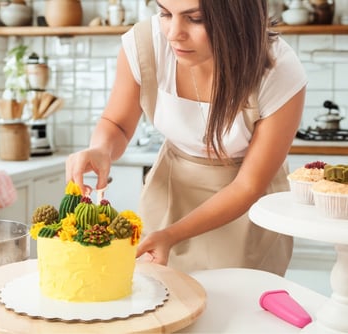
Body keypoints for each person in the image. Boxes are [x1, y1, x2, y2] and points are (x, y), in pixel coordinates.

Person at [66, 0, 307, 276]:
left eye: (195, 19)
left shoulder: (278, 71)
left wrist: (172, 234)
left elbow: (247, 186)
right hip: (169, 197)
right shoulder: (146, 46)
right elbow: (117, 124)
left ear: (238, 18)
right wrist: (101, 150)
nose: (173, 33)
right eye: (166, 14)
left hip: (246, 214)